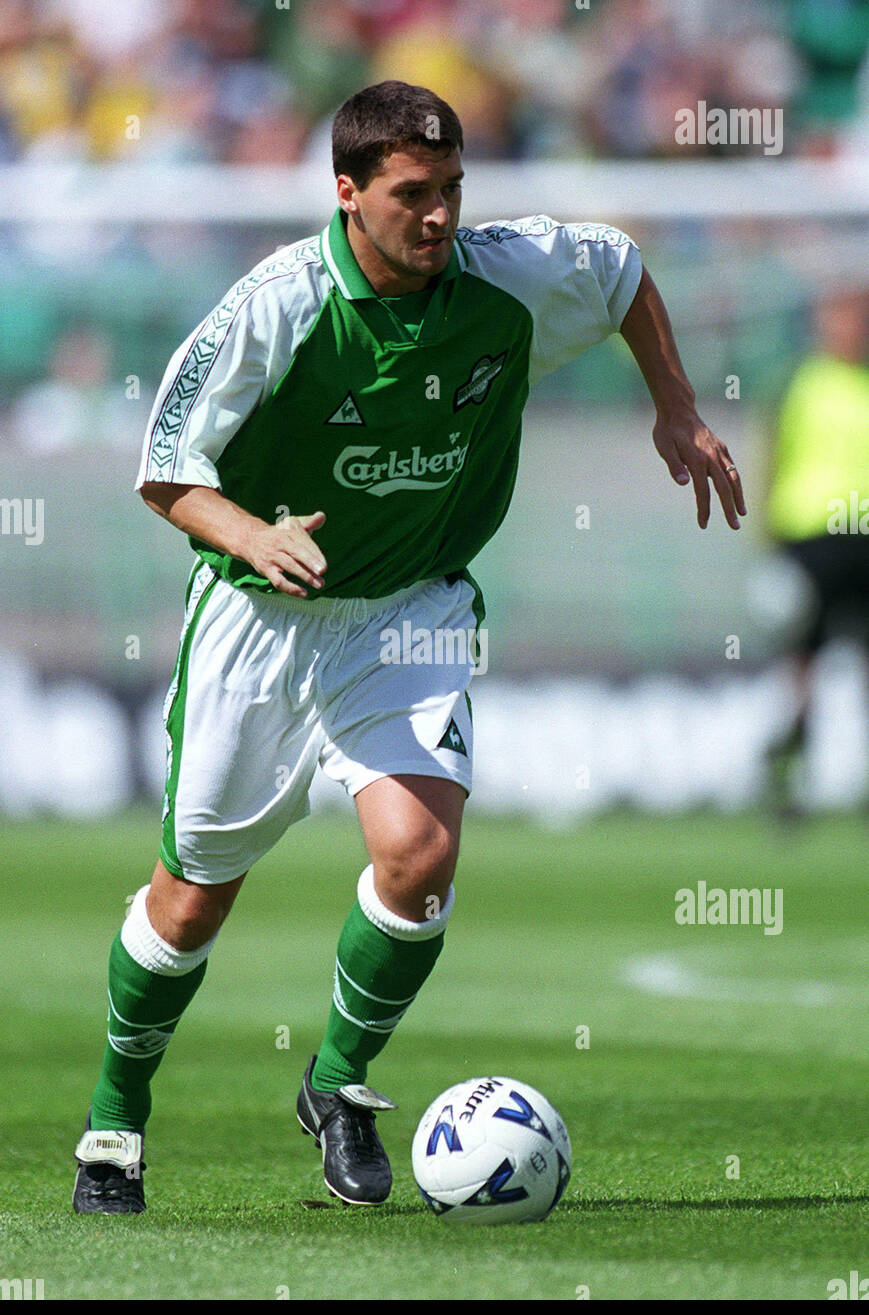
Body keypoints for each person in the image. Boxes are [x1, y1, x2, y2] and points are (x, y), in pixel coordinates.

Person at [72, 80, 745, 1214]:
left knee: (420, 853)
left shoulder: (503, 273)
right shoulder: (274, 306)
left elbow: (621, 268)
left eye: (451, 191)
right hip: (258, 623)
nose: (437, 218)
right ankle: (114, 1125)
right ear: (347, 193)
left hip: (411, 613)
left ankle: (336, 1083)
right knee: (190, 902)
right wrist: (253, 530)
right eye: (410, 196)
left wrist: (671, 403)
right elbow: (165, 464)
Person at [765, 288, 869, 813]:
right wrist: (769, 543)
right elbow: (776, 455)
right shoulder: (804, 384)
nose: (853, 329)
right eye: (843, 316)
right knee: (804, 662)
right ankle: (789, 775)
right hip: (811, 538)